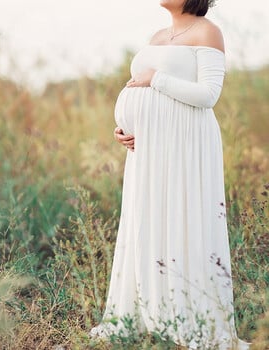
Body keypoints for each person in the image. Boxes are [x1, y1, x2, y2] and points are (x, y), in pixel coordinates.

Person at [89, 0, 252, 349]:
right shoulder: (158, 34)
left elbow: (209, 95)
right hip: (149, 151)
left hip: (186, 145)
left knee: (183, 217)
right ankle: (146, 312)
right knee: (147, 219)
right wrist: (123, 128)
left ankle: (188, 316)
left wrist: (156, 79)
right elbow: (138, 87)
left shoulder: (208, 32)